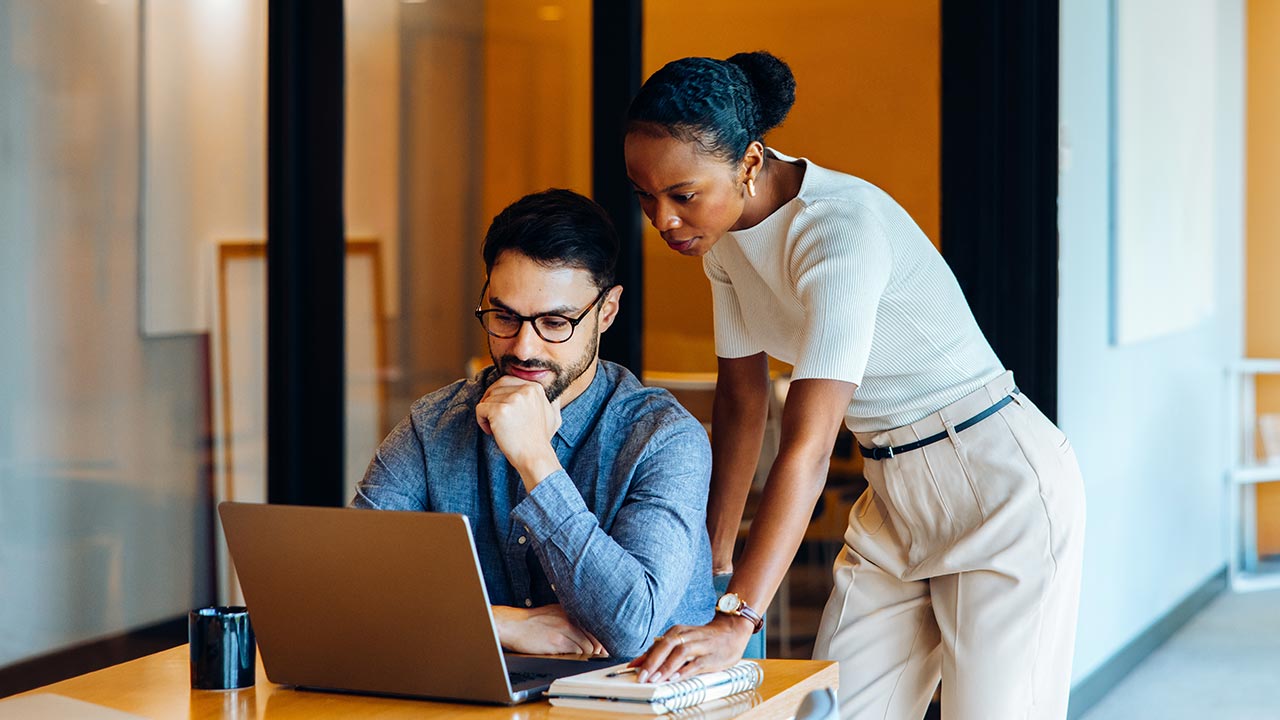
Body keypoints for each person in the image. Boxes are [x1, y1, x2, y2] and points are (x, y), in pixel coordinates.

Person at [621, 51, 1085, 720]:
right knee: (833, 709)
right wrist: (712, 565)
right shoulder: (720, 241)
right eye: (645, 195)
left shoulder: (839, 232)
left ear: (750, 163)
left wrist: (739, 616)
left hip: (996, 484)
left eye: (681, 195)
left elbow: (807, 449)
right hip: (893, 489)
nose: (661, 219)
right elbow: (743, 403)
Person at [351, 188, 716, 659]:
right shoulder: (435, 425)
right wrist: (501, 622)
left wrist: (536, 461)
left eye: (554, 322)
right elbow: (353, 584)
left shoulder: (663, 439)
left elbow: (632, 627)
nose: (523, 348)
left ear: (606, 312)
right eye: (504, 316)